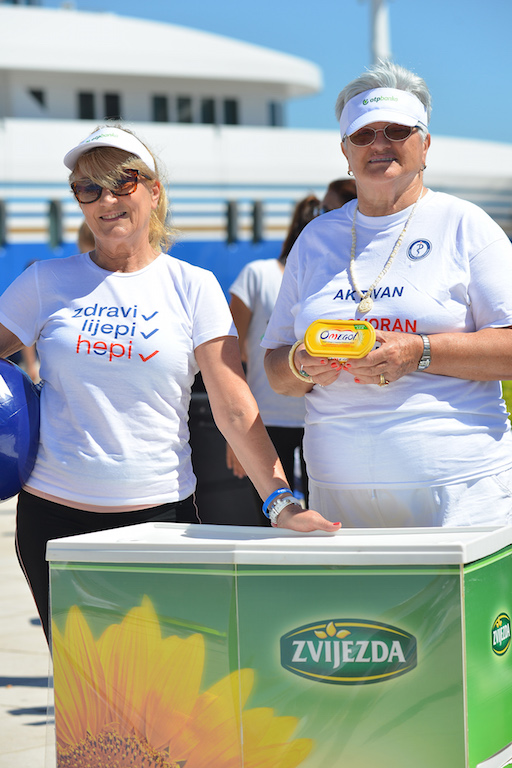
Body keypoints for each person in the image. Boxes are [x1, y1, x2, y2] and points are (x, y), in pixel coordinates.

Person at [0, 125, 335, 640]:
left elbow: (234, 405)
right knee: (83, 694)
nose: (106, 199)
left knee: (169, 689)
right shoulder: (46, 281)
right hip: (54, 519)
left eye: (122, 183)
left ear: (153, 191)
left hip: (159, 516)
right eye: (88, 188)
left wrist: (281, 503)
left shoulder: (193, 287)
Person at [262, 60, 512, 530]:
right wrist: (301, 362)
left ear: (425, 144)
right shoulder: (316, 239)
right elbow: (276, 371)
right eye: (363, 134)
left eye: (396, 131)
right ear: (345, 150)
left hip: (458, 490)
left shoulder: (465, 225)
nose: (379, 144)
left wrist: (417, 352)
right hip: (337, 495)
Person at [226, 195, 320, 511]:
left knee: (322, 516)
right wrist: (236, 434)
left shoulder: (333, 284)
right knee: (272, 517)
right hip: (266, 420)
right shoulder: (258, 274)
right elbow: (230, 354)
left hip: (320, 421)